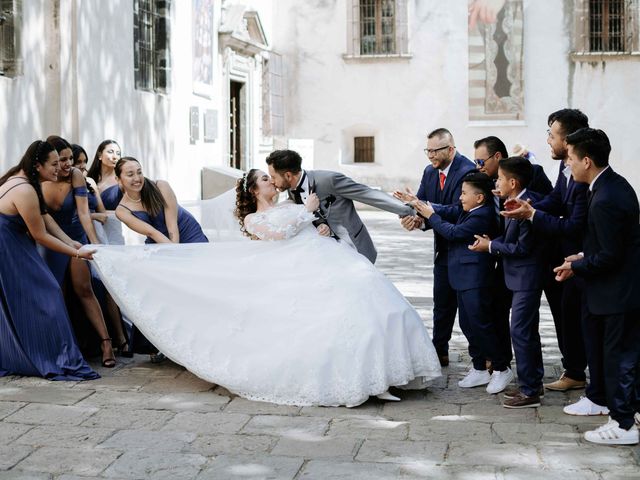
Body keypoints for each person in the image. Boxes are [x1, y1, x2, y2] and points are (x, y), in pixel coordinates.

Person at [88, 169, 442, 406]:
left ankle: (388, 372)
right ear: (254, 190)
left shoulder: (291, 203)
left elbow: (305, 224)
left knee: (370, 304)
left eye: (270, 177)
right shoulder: (254, 218)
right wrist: (307, 215)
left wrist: (314, 224)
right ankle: (365, 381)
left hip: (327, 260)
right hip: (296, 272)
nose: (272, 181)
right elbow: (276, 235)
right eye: (264, 179)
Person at [554, 128, 640, 445]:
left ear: (586, 160)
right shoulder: (608, 186)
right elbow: (610, 245)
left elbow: (611, 256)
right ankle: (626, 416)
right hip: (617, 289)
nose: (568, 166)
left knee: (619, 359)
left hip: (618, 293)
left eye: (571, 160)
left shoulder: (605, 198)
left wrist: (577, 265)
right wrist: (581, 256)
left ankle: (623, 425)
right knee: (620, 357)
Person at [503, 109, 590, 393]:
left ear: (568, 140)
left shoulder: (579, 176)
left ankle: (578, 372)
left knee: (575, 319)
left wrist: (532, 215)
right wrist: (524, 204)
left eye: (552, 135)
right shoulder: (565, 169)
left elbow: (574, 225)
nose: (548, 140)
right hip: (557, 258)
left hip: (576, 259)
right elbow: (553, 199)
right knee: (564, 318)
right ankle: (573, 369)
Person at [0, 140, 98, 380]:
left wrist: (70, 242)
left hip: (11, 246)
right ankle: (55, 356)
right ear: (37, 165)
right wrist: (76, 253)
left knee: (22, 301)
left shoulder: (17, 179)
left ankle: (26, 353)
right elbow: (40, 235)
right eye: (54, 164)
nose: (59, 168)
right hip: (10, 250)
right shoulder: (25, 190)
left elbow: (46, 220)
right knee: (50, 292)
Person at [412, 172, 510, 393]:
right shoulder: (468, 210)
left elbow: (454, 233)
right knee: (468, 324)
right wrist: (418, 204)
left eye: (464, 193)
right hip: (461, 278)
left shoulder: (481, 215)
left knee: (482, 324)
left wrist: (432, 215)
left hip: (476, 279)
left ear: (480, 197)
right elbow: (450, 210)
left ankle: (501, 368)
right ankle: (478, 368)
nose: (460, 197)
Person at [470, 157, 548, 407]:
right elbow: (510, 236)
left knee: (521, 331)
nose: (496, 182)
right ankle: (532, 384)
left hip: (527, 276)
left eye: (500, 179)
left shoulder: (527, 205)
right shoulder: (510, 199)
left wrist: (490, 245)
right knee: (524, 331)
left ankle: (530, 391)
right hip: (515, 276)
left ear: (513, 182)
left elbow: (522, 247)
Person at [396, 128, 476, 367]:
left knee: (469, 310)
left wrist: (425, 208)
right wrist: (415, 219)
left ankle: (482, 358)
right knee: (441, 304)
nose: (430, 156)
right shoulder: (429, 172)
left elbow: (460, 210)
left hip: (465, 248)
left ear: (450, 149)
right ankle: (439, 351)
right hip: (442, 247)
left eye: (435, 151)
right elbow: (420, 204)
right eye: (427, 150)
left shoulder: (467, 171)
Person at [41, 136, 121, 367]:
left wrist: (94, 244)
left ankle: (106, 343)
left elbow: (84, 213)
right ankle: (63, 346)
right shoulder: (40, 179)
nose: (67, 164)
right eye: (61, 160)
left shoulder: (76, 176)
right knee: (58, 293)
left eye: (69, 159)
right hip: (50, 242)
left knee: (84, 289)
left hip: (76, 239)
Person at [265, 149, 414, 264]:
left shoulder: (329, 180)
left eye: (273, 177)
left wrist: (407, 210)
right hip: (327, 254)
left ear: (289, 176)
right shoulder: (291, 192)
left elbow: (368, 194)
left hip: (353, 247)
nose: (272, 181)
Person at [114, 157, 208, 244]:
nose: (137, 178)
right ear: (118, 179)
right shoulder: (122, 211)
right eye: (130, 174)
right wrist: (173, 252)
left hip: (187, 232)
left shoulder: (161, 186)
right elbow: (152, 233)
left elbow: (172, 227)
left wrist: (176, 251)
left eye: (139, 172)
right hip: (158, 239)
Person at [87, 139, 123, 210]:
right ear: (100, 155)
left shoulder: (121, 179)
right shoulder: (88, 176)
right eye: (110, 152)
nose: (115, 157)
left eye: (118, 153)